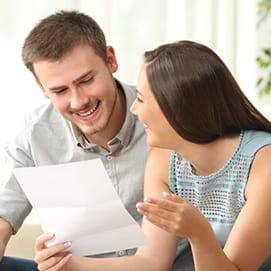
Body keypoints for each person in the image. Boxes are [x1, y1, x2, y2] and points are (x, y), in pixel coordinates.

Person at [34, 40, 271, 271]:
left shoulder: (264, 163)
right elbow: (152, 261)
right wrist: (69, 264)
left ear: (177, 105)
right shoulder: (164, 159)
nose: (133, 109)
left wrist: (199, 234)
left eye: (141, 98)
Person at [0, 10, 150, 271]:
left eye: (86, 80)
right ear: (41, 87)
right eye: (59, 90)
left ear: (111, 60)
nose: (78, 101)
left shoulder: (161, 116)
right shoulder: (34, 133)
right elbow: (3, 214)